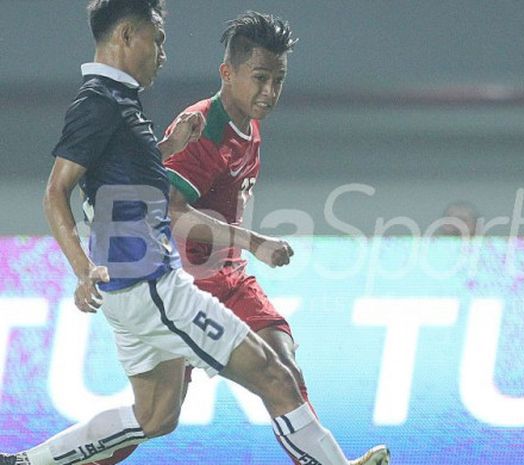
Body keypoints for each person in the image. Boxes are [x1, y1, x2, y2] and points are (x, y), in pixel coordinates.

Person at [0, 2, 381, 465]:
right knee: (273, 375)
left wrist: (166, 147)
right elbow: (56, 192)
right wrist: (83, 271)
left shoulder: (120, 101)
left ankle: (23, 462)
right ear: (125, 36)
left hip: (141, 287)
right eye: (156, 40)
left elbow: (118, 181)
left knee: (157, 416)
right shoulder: (99, 101)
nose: (163, 53)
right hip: (156, 283)